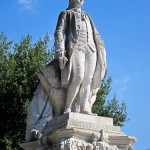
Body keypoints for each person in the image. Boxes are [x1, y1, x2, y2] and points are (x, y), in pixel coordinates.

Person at [54, 0, 107, 114]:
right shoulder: (65, 13)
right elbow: (59, 32)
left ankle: (84, 108)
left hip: (91, 48)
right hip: (76, 47)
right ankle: (67, 108)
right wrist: (60, 50)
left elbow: (95, 34)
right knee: (78, 77)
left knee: (88, 79)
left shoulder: (87, 15)